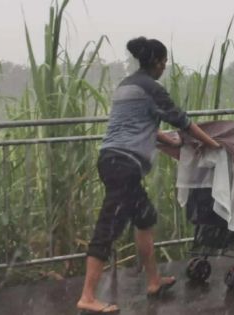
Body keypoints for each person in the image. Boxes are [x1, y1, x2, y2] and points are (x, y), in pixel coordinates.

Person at [77, 36, 221, 314]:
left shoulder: (126, 86)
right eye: (164, 62)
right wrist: (213, 144)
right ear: (156, 62)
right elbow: (184, 121)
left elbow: (141, 124)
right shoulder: (151, 89)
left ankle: (153, 281)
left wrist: (170, 142)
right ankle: (87, 296)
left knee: (145, 218)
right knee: (108, 227)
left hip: (112, 160)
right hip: (124, 164)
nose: (165, 67)